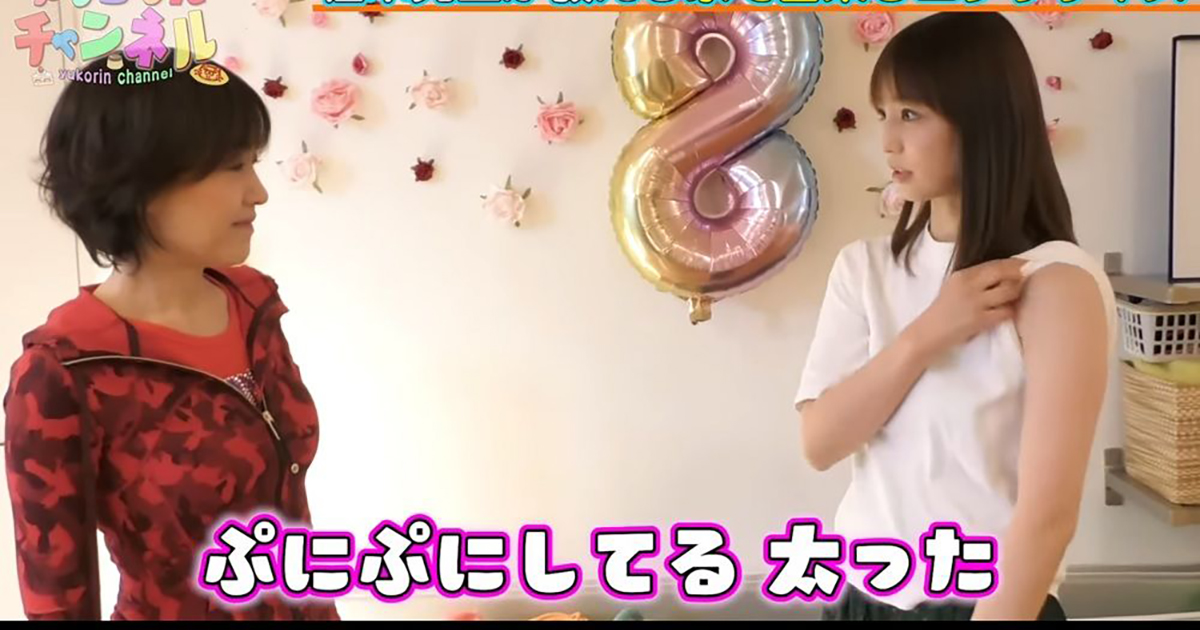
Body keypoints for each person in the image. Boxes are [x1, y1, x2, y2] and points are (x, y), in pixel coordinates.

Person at [794, 13, 1116, 621]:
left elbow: (1047, 519)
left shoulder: (1053, 281)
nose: (887, 141)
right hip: (859, 597)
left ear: (981, 120)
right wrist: (929, 332)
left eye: (911, 114)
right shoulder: (864, 268)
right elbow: (821, 442)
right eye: (883, 113)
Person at [3, 53, 339, 621]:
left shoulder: (254, 301)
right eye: (232, 166)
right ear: (138, 178)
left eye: (253, 163)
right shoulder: (65, 371)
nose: (258, 192)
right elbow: (57, 598)